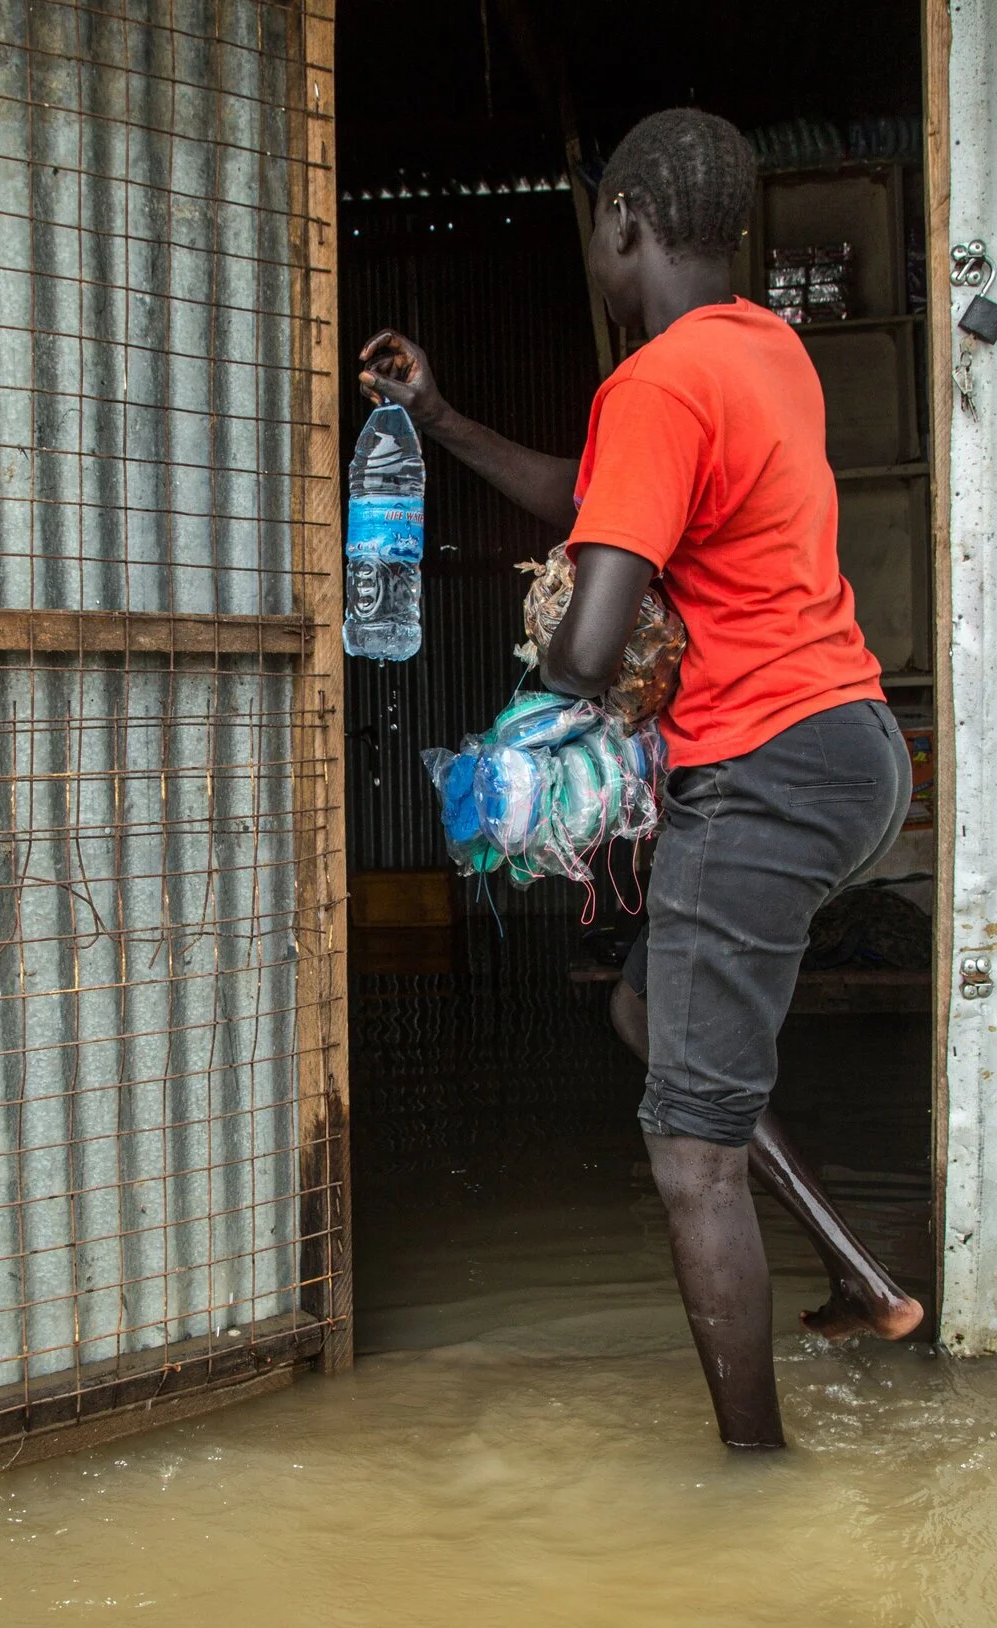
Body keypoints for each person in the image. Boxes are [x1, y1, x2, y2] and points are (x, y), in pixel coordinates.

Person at [359, 107, 923, 1450]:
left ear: (621, 224)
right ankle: (863, 1277)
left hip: (769, 767)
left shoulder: (658, 383)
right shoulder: (763, 353)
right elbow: (597, 491)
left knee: (687, 1150)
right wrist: (436, 418)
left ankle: (755, 1475)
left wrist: (536, 718)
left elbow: (592, 644)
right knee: (646, 1009)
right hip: (853, 749)